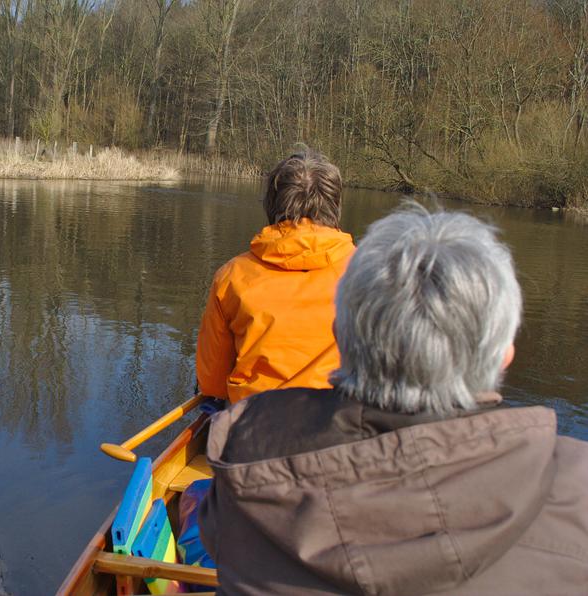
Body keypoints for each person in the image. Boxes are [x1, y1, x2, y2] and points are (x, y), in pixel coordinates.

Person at [198, 206, 588, 595]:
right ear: (505, 355)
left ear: (340, 335)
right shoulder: (577, 488)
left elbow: (212, 533)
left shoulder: (244, 455)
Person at [196, 150, 355, 403]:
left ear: (272, 204)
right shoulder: (369, 274)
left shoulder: (231, 276)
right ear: (335, 205)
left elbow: (212, 384)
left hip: (252, 426)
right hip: (340, 425)